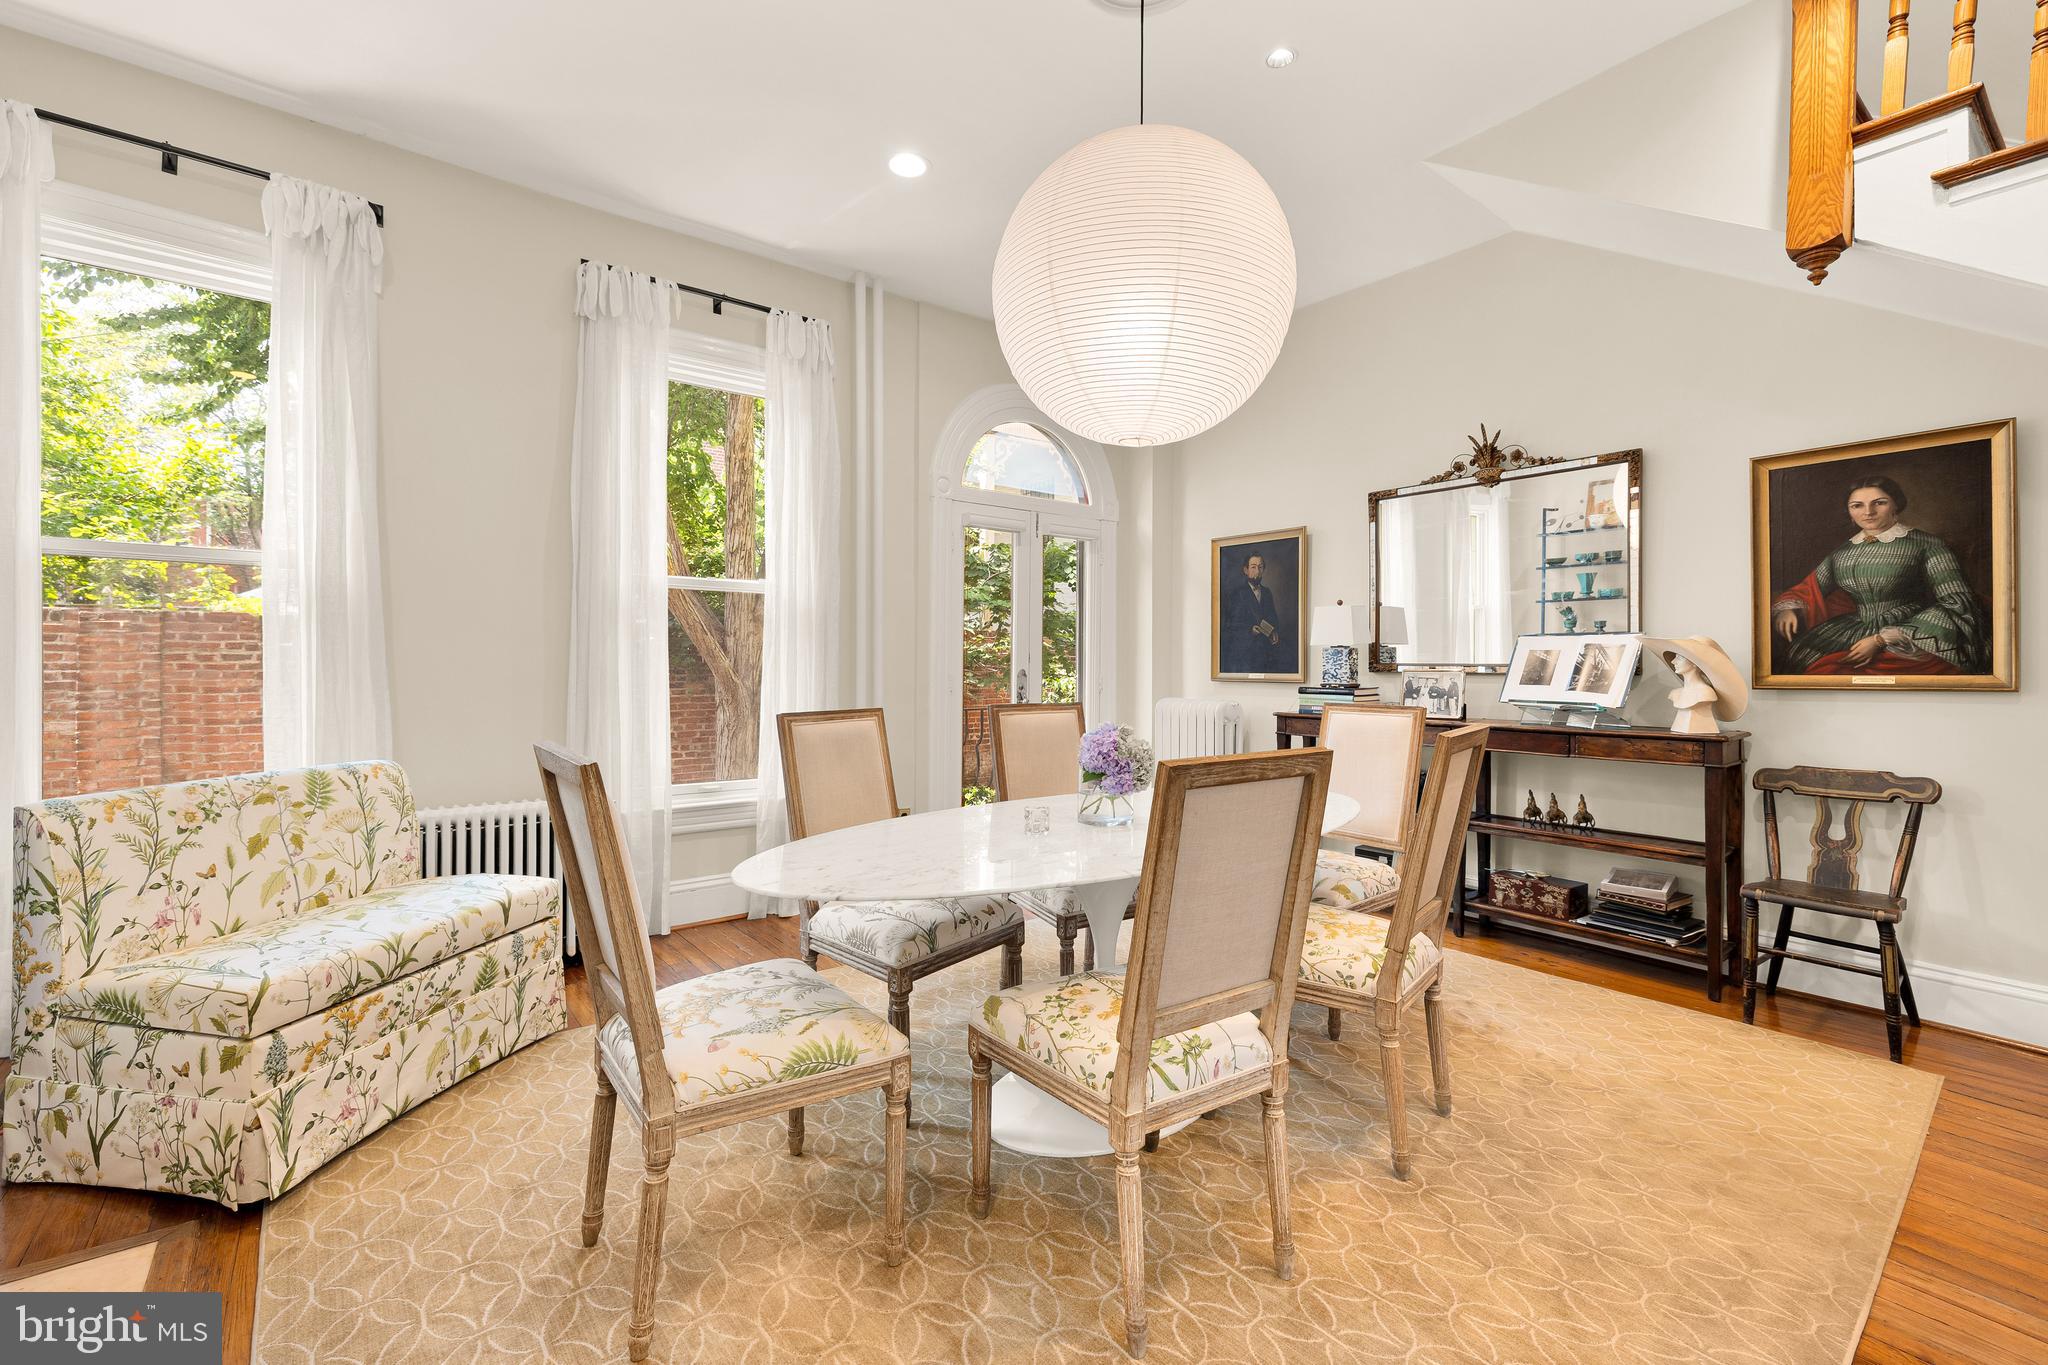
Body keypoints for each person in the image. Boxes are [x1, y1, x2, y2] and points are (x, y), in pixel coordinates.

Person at [1771, 476, 1987, 675]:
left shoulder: (1926, 544)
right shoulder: (1843, 552)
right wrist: (1789, 608)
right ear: (1849, 511)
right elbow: (1812, 586)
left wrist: (1882, 638)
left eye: (1879, 502)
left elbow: (1957, 600)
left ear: (1896, 504)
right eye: (1857, 505)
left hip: (1911, 632)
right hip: (1853, 628)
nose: (1868, 512)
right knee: (1805, 663)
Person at [1221, 552, 1290, 672]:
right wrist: (1250, 631)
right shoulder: (1236, 594)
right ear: (1246, 570)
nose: (1257, 571)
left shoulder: (1267, 593)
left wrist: (1274, 631)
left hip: (1266, 654)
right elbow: (1229, 626)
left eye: (1260, 567)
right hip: (1244, 656)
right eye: (1253, 567)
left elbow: (1273, 619)